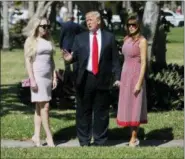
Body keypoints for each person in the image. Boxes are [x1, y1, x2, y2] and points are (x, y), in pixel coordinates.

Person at [62, 11, 121, 146]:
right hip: (84, 78)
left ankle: (100, 140)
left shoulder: (109, 37)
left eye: (91, 19)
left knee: (101, 111)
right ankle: (84, 140)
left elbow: (115, 61)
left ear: (99, 21)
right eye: (87, 20)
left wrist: (118, 77)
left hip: (102, 78)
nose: (88, 22)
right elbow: (74, 56)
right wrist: (70, 59)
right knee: (83, 111)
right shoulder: (80, 38)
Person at [24, 17, 57, 147]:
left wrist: (54, 76)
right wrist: (32, 79)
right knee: (45, 107)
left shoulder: (48, 40)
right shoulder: (31, 41)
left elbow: (51, 60)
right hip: (37, 77)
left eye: (48, 26)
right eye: (44, 26)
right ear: (36, 27)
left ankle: (36, 136)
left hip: (48, 77)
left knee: (39, 108)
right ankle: (49, 136)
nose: (46, 29)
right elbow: (28, 62)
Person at [116, 13, 148, 147]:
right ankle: (131, 136)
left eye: (133, 24)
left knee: (135, 106)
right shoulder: (126, 39)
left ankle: (134, 139)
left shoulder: (142, 41)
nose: (131, 27)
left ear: (138, 25)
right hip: (125, 75)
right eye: (129, 25)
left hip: (136, 76)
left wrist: (139, 83)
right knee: (127, 105)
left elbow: (144, 63)